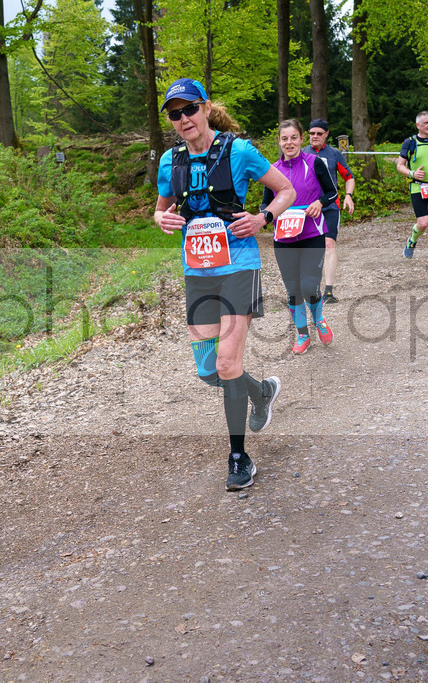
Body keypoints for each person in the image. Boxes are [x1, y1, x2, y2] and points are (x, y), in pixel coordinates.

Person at [153, 78, 295, 491]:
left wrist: (262, 219)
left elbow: (285, 190)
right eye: (175, 114)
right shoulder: (169, 161)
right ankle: (262, 392)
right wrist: (161, 219)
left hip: (239, 266)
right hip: (197, 272)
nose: (183, 119)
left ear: (205, 108)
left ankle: (239, 457)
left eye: (189, 110)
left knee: (227, 363)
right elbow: (159, 211)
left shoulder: (239, 151)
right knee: (207, 369)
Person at [261, 119, 339, 354]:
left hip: (311, 233)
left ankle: (320, 320)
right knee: (293, 289)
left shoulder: (314, 163)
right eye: (284, 138)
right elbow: (266, 202)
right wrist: (268, 214)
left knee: (308, 287)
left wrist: (319, 202)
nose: (289, 142)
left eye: (293, 137)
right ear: (279, 141)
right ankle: (303, 334)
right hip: (283, 238)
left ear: (301, 139)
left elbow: (332, 191)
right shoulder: (272, 170)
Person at [303, 119, 355, 304]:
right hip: (309, 208)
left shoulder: (334, 154)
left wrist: (348, 195)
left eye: (319, 133)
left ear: (326, 134)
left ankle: (329, 291)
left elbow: (349, 177)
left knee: (329, 244)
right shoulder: (301, 154)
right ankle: (311, 287)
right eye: (311, 133)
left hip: (331, 206)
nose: (315, 136)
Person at [396, 111, 428, 268]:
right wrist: (413, 173)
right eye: (426, 123)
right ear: (418, 125)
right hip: (418, 188)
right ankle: (412, 240)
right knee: (423, 223)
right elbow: (399, 166)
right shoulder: (410, 142)